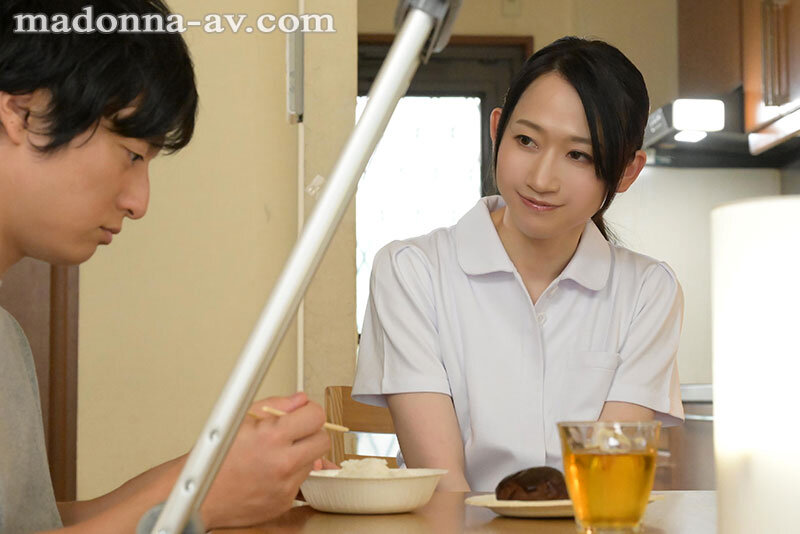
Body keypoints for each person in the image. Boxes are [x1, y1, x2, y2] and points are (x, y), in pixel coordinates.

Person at [0, 1, 330, 532]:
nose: (139, 202)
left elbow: (33, 524)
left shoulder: (7, 337)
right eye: (132, 154)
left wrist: (207, 475)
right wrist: (201, 499)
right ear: (22, 113)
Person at [352, 36, 685, 492]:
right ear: (497, 130)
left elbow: (606, 482)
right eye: (526, 140)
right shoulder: (410, 271)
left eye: (579, 154)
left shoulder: (648, 290)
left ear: (627, 171)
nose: (541, 179)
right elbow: (443, 486)